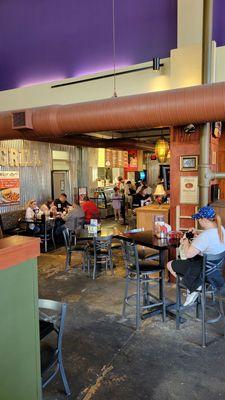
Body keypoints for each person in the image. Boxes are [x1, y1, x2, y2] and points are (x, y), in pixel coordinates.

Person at [167, 206, 225, 307]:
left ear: (203, 219)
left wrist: (185, 241)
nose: (198, 221)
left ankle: (192, 287)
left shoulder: (205, 236)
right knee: (193, 261)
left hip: (203, 271)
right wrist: (197, 234)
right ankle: (194, 286)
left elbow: (188, 254)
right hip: (214, 270)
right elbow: (209, 244)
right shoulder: (221, 230)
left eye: (198, 219)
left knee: (169, 264)